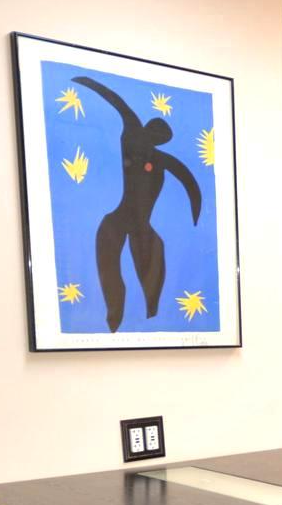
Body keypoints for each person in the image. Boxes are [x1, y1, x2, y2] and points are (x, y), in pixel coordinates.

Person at [73, 76, 203, 332]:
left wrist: (195, 208)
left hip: (143, 226)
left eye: (163, 138)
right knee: (111, 270)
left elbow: (190, 183)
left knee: (152, 271)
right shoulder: (133, 134)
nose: (161, 140)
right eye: (160, 135)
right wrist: (89, 82)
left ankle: (150, 315)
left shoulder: (162, 159)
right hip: (120, 219)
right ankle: (115, 319)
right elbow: (119, 103)